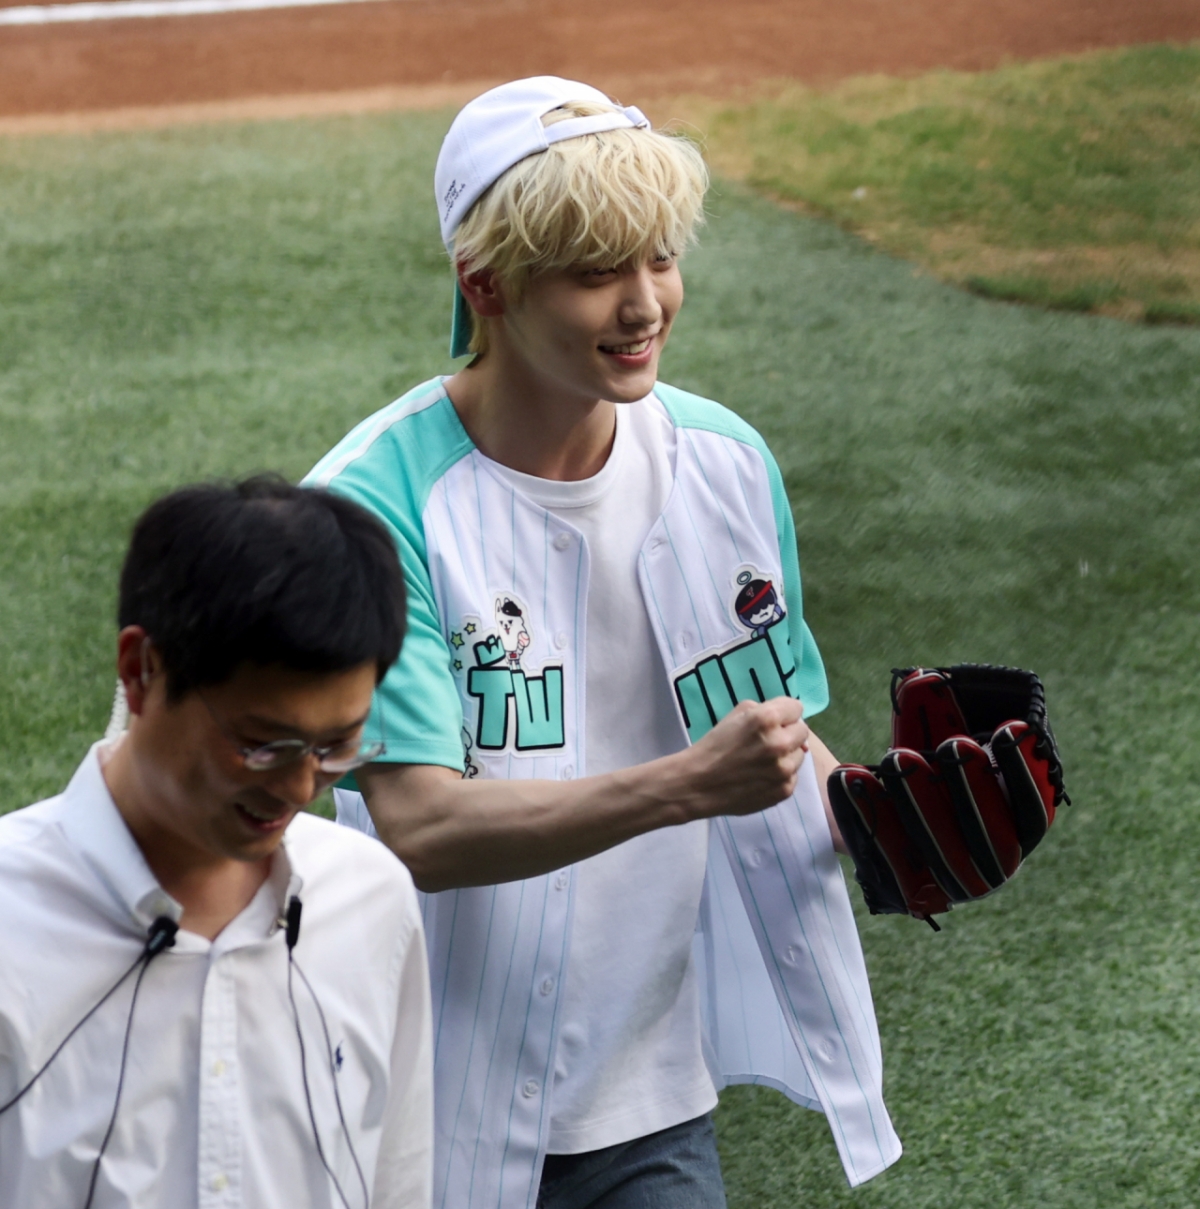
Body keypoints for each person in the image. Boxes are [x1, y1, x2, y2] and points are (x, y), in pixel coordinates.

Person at [308, 76, 901, 1209]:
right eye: (594, 272)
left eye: (660, 258)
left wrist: (887, 823)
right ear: (485, 284)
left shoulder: (726, 465)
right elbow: (421, 825)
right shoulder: (371, 507)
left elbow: (770, 731)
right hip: (418, 1108)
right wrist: (687, 786)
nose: (644, 305)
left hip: (649, 1093)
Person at [0, 477, 433, 1209]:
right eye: (261, 744)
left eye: (337, 746)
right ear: (141, 671)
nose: (300, 786)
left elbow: (398, 1180)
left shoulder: (372, 899)